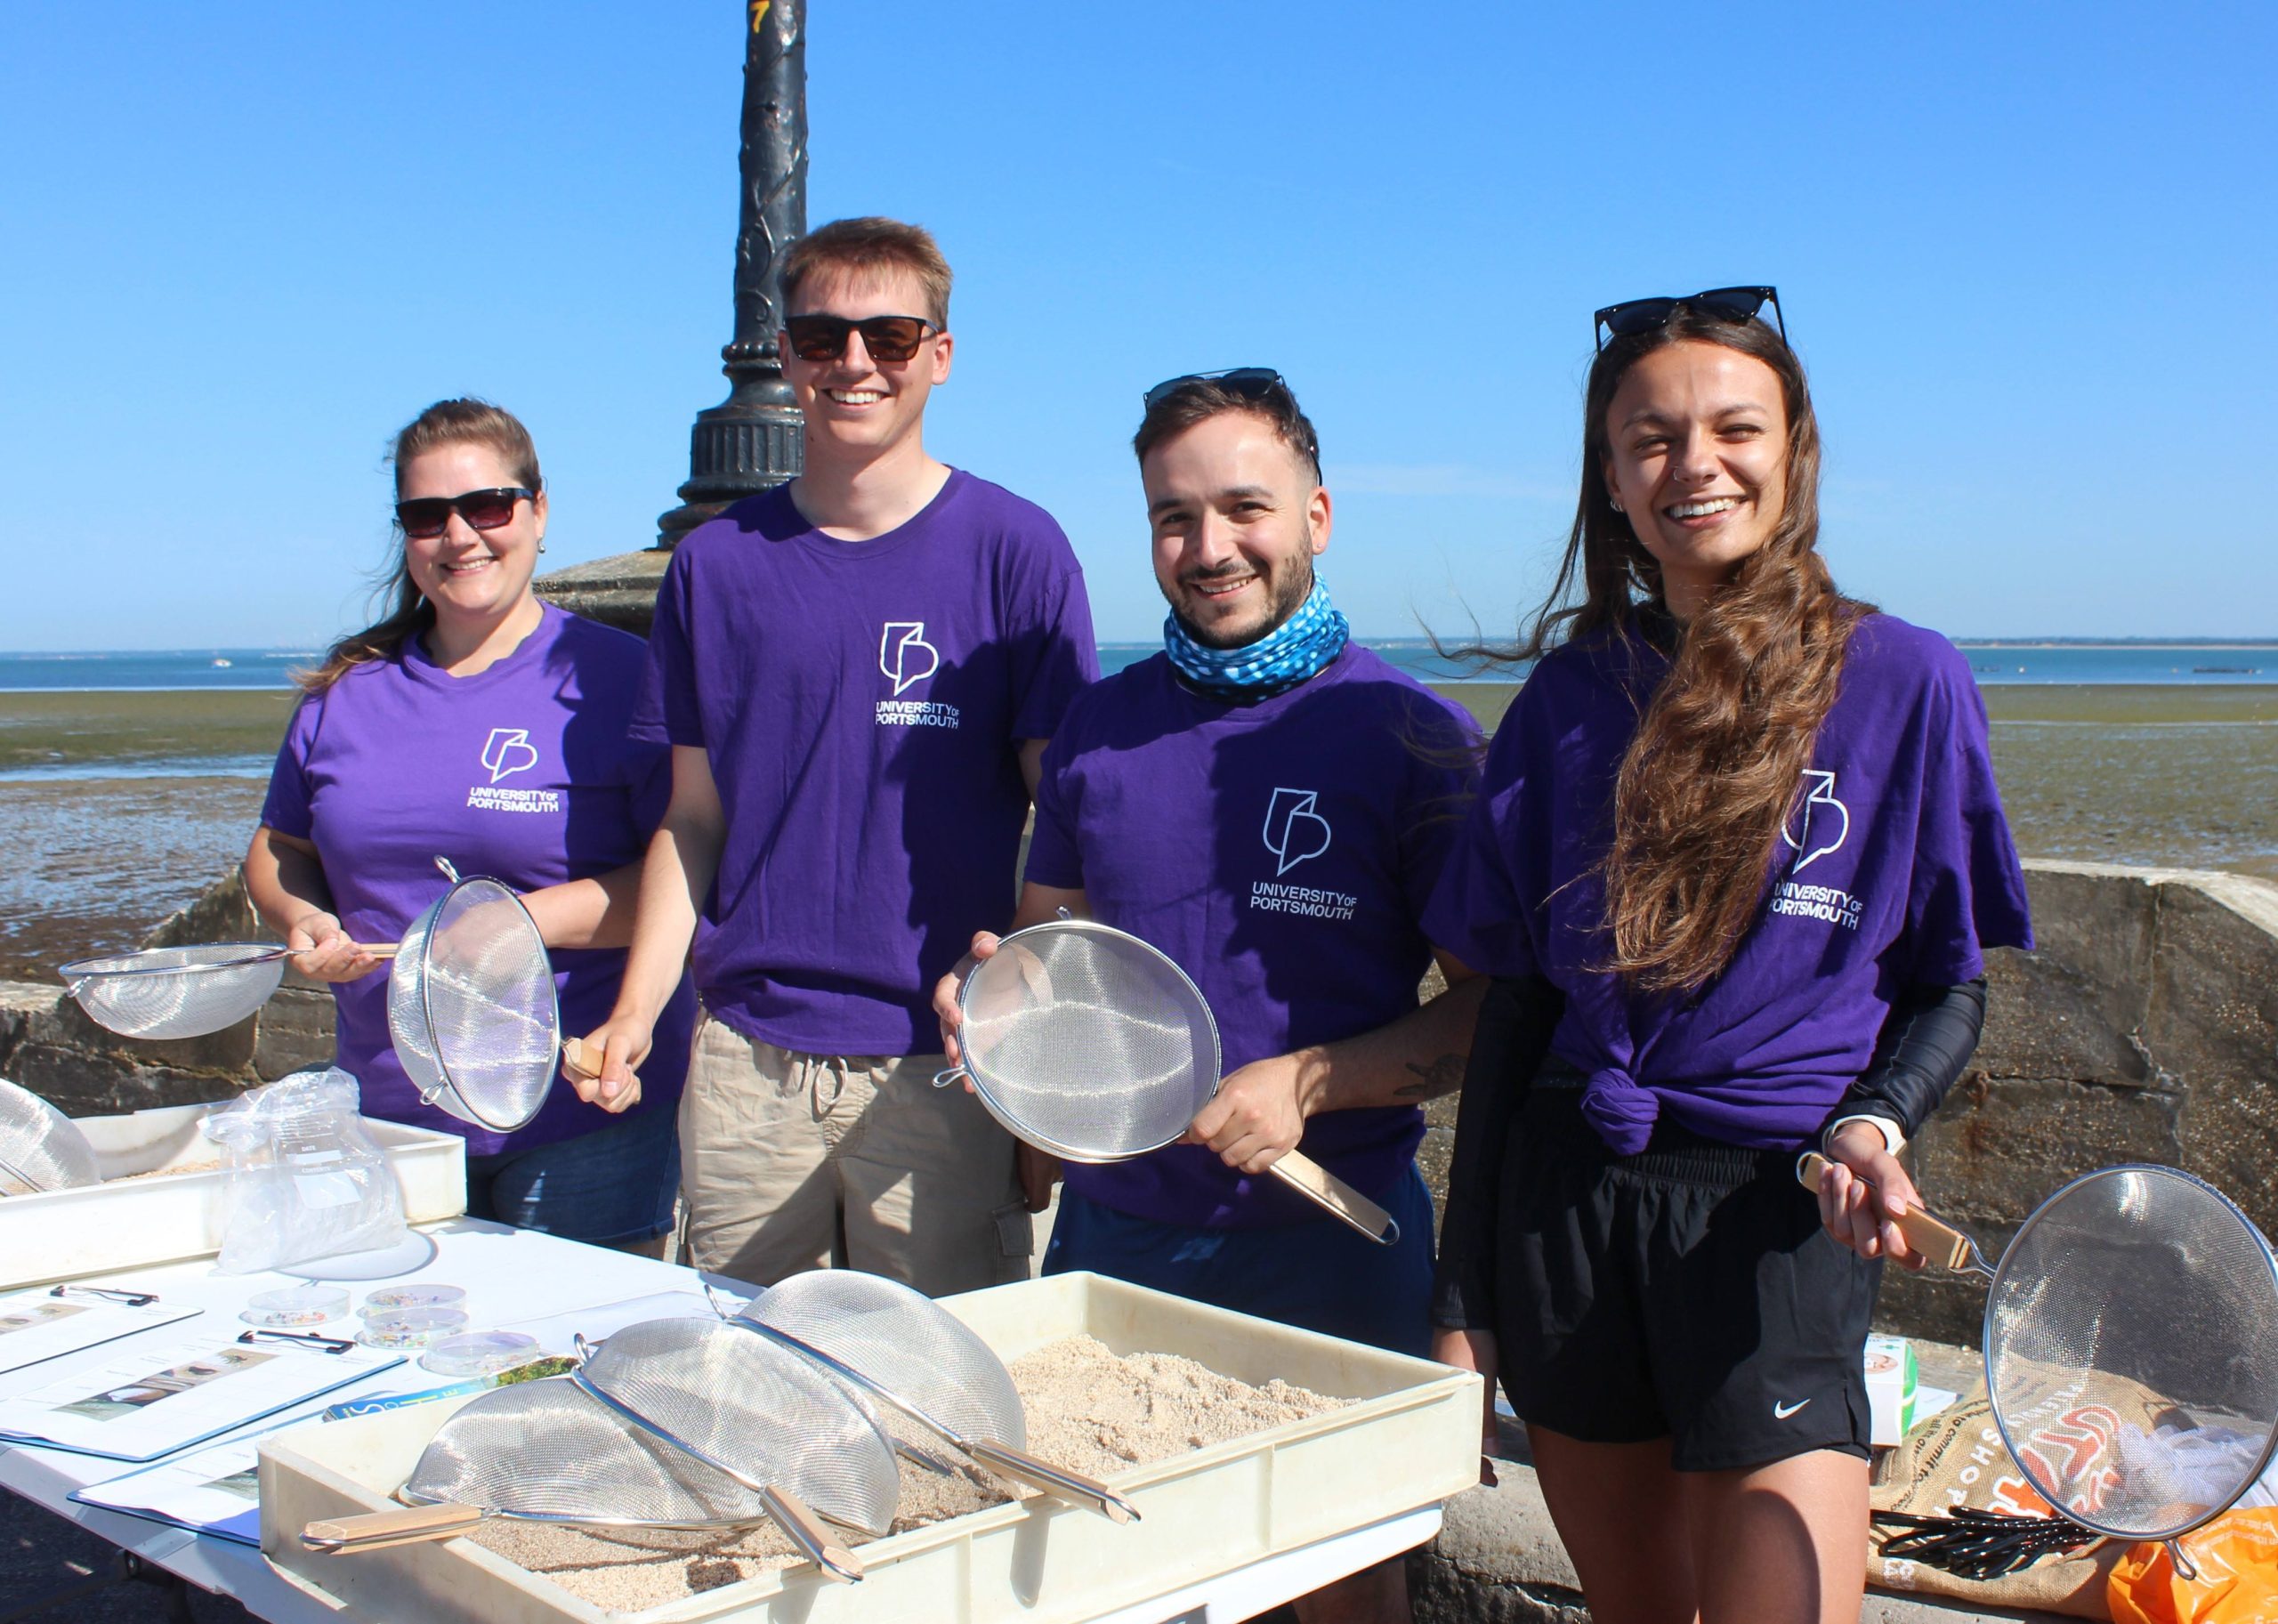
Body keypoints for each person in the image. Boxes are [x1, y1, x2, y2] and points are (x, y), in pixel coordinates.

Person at [1426, 289, 2033, 1624]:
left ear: (1794, 450)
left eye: (1733, 427)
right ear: (1612, 478)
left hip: (1780, 1214)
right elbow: (1515, 1010)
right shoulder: (1567, 703)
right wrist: (1462, 1302)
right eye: (1651, 438)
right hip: (1567, 1212)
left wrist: (1880, 1121)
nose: (1694, 463)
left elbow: (1949, 978)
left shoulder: (1906, 681)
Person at [934, 369, 1483, 1624]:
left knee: (1345, 1593)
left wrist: (1310, 1081)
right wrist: (993, 1002)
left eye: (1246, 507)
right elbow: (1048, 953)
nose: (1209, 547)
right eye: (1174, 518)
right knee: (1111, 1586)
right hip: (1116, 1243)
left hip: (1333, 1246)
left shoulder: (1414, 735)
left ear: (1318, 515)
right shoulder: (1098, 729)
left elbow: (1492, 1010)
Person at [581, 217, 1098, 1295]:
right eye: (822, 336)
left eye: (890, 336)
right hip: (743, 1068)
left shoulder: (1017, 550)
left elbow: (1072, 819)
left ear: (939, 356)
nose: (854, 363)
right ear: (786, 355)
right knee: (743, 1383)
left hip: (944, 1067)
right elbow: (693, 817)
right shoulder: (716, 567)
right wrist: (635, 1013)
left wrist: (1041, 1050)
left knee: (952, 1401)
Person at [246, 399, 696, 1255]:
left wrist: (518, 922)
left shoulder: (620, 680)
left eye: (488, 506)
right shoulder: (345, 693)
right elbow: (278, 851)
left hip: (579, 1112)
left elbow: (685, 873)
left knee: (565, 1367)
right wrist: (304, 916)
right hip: (391, 1114)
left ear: (538, 510)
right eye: (427, 515)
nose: (460, 536)